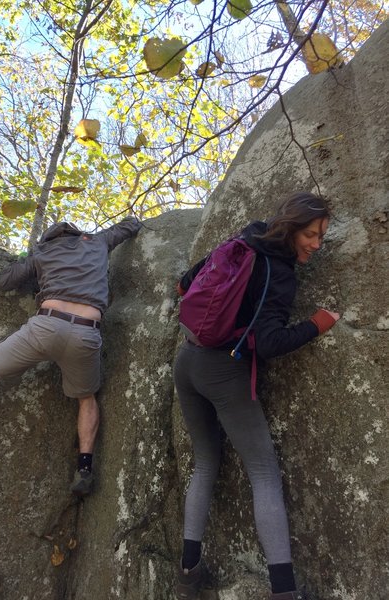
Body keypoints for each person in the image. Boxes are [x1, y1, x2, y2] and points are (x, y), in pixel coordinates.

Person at [174, 192, 340, 600]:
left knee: (204, 463)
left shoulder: (244, 240)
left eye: (321, 237)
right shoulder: (277, 271)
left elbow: (184, 283)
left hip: (187, 362)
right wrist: (317, 325)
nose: (317, 245)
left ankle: (188, 571)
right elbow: (267, 343)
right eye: (311, 235)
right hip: (223, 370)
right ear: (293, 227)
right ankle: (284, 592)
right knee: (263, 474)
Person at [0, 215, 142, 497]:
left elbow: (3, 281)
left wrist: (31, 261)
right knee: (86, 398)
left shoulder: (42, 252)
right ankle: (84, 468)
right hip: (86, 332)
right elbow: (129, 226)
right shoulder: (97, 242)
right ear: (76, 233)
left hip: (47, 325)